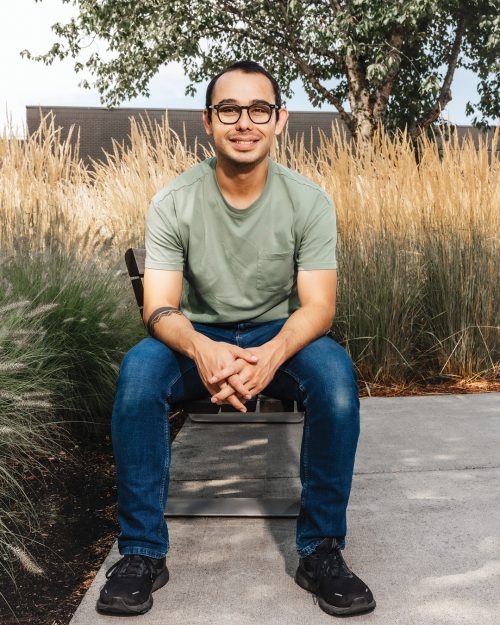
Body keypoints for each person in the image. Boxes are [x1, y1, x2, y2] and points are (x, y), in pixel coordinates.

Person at [96, 60, 376, 618]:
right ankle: (142, 553)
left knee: (337, 381)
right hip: (195, 333)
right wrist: (205, 352)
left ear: (280, 121)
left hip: (280, 332)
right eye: (229, 109)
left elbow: (319, 308)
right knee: (138, 375)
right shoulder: (174, 200)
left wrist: (269, 358)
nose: (243, 122)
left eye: (258, 109)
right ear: (208, 121)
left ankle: (321, 549)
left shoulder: (309, 201)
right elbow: (159, 308)